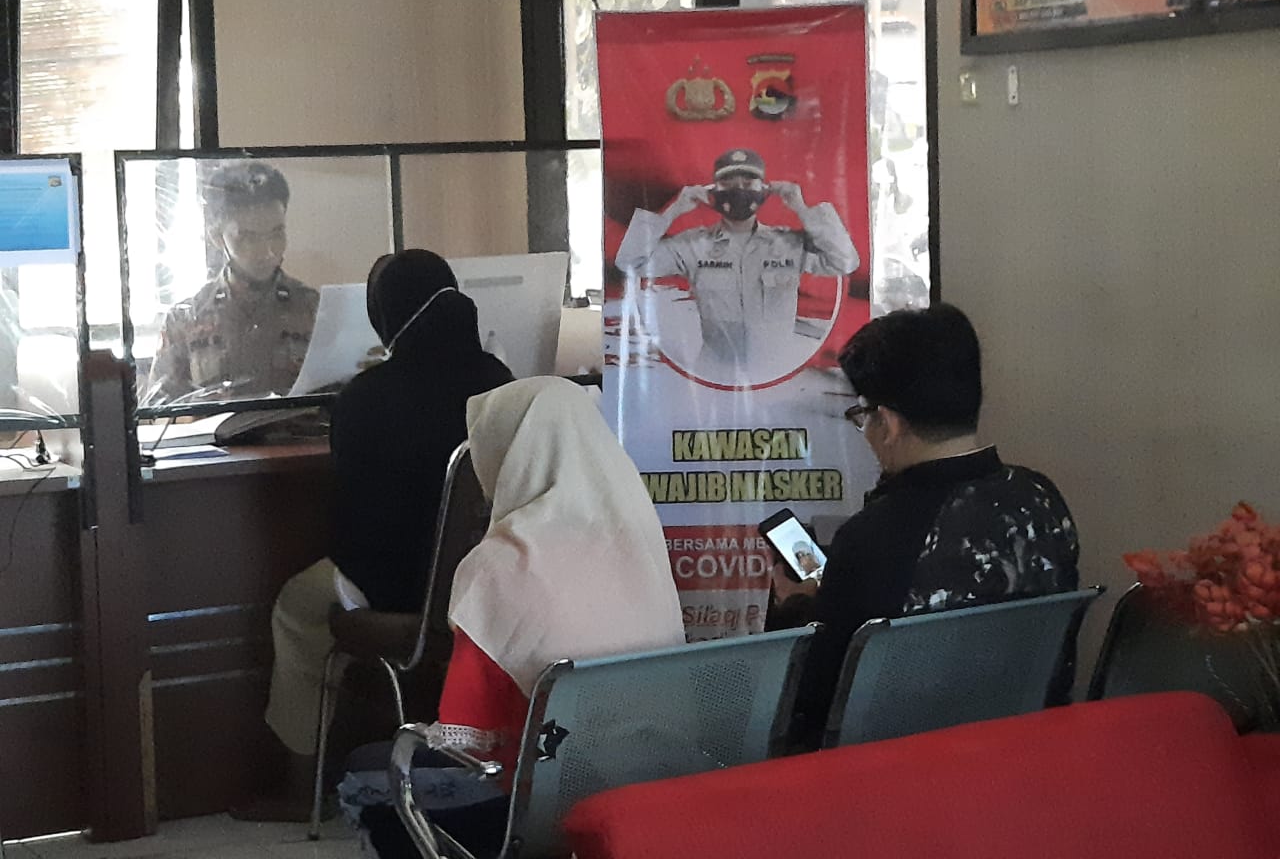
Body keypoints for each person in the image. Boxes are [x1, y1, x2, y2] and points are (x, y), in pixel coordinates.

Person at [342, 376, 685, 857]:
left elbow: (468, 739)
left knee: (366, 770)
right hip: (646, 794)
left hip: (534, 815)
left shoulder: (499, 567)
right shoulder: (641, 545)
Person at [240, 250, 513, 820]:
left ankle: (302, 789)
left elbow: (358, 524)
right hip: (484, 596)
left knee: (297, 609)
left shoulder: (365, 397)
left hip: (393, 595)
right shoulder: (502, 383)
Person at [770, 303, 1080, 748]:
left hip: (903, 770)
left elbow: (813, 703)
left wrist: (800, 611)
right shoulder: (1041, 498)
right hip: (1030, 752)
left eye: (863, 416)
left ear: (890, 423)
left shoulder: (870, 538)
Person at [614, 148, 858, 375]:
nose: (739, 190)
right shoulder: (693, 245)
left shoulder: (789, 244)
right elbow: (629, 263)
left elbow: (845, 262)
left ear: (764, 190)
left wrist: (802, 209)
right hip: (715, 373)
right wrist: (673, 211)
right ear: (713, 191)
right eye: (728, 183)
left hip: (775, 372)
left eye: (748, 183)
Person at [145, 162, 318, 405]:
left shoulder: (314, 310)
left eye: (277, 234)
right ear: (217, 237)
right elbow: (157, 408)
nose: (268, 251)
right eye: (248, 238)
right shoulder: (185, 319)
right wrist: (197, 408)